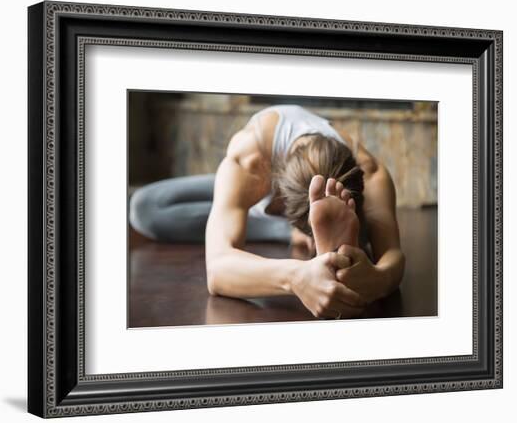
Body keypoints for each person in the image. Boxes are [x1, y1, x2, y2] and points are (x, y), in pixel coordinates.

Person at [130, 105, 405, 319]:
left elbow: (393, 255)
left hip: (329, 206)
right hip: (257, 199)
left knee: (370, 228)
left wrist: (379, 279)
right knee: (144, 207)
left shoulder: (370, 171)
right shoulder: (251, 157)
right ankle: (293, 235)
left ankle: (336, 246)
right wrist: (296, 277)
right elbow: (217, 269)